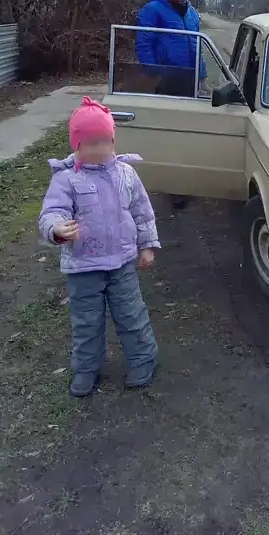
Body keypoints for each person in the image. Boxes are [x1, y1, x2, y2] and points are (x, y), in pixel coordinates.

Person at [39, 97, 160, 398]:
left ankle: (144, 359)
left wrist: (147, 245)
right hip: (83, 268)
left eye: (104, 141)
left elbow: (142, 212)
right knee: (87, 323)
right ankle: (86, 369)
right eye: (90, 143)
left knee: (132, 314)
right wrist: (56, 229)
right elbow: (52, 211)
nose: (98, 149)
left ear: (113, 141)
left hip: (121, 264)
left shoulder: (126, 175)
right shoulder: (67, 179)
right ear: (77, 144)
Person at [135, 0, 207, 97]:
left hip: (190, 76)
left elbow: (197, 45)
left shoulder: (192, 13)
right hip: (165, 78)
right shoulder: (152, 10)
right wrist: (153, 74)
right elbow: (144, 45)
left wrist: (201, 75)